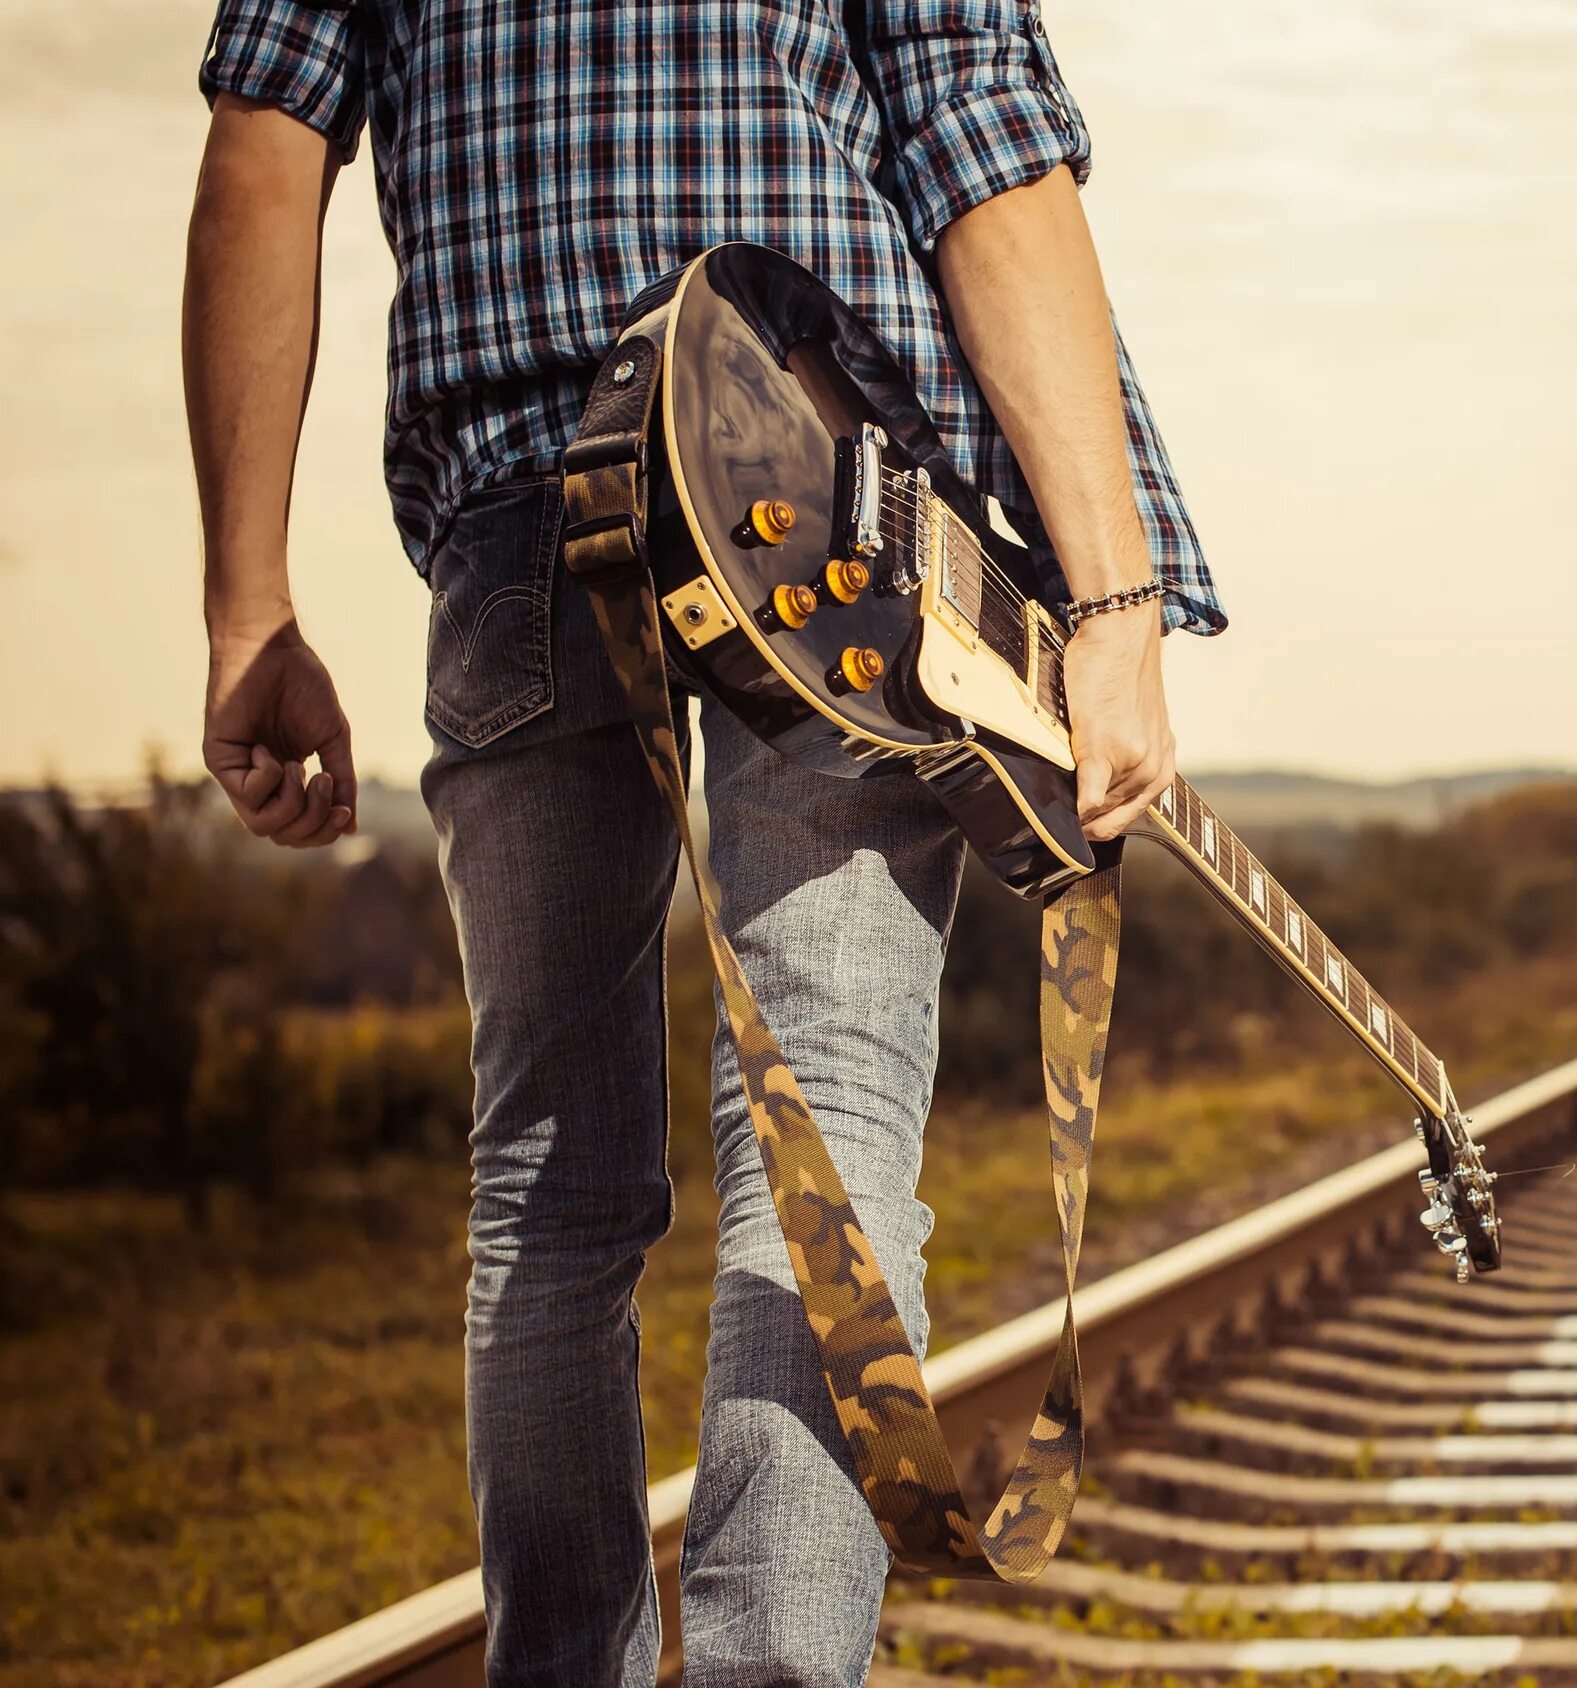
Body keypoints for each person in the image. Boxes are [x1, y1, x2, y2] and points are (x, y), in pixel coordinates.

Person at [181, 5, 1223, 1681]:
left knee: (547, 1187)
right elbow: (976, 127)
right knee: (832, 1132)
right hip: (821, 519)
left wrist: (248, 608)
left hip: (526, 511)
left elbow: (263, 149)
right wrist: (1106, 601)